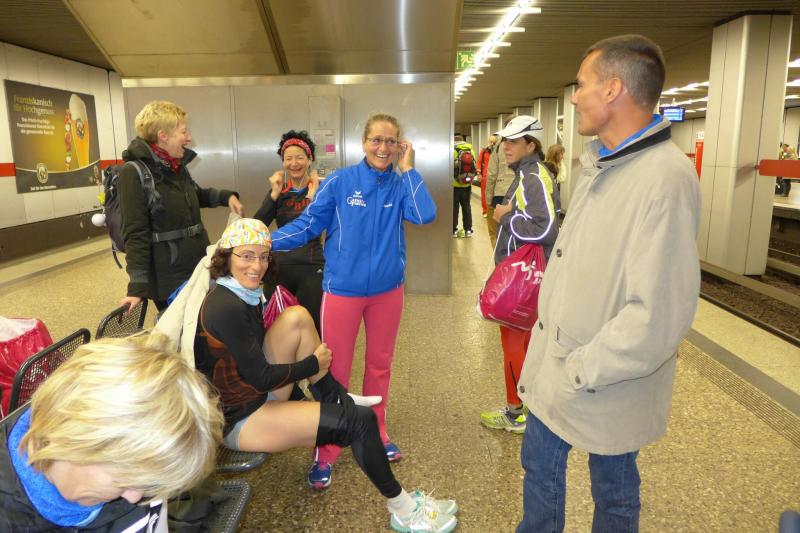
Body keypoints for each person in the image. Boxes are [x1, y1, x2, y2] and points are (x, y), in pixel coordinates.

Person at [515, 35, 700, 532]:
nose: (575, 97)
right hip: (559, 363)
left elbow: (659, 314)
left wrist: (580, 368)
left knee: (613, 495)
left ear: (613, 88)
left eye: (581, 85)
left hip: (601, 374)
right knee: (540, 477)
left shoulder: (664, 179)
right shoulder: (600, 164)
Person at [194, 219, 457, 533]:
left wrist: (309, 390)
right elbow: (262, 377)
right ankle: (403, 510)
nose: (257, 266)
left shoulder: (240, 292)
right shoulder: (226, 307)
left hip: (252, 393)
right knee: (360, 421)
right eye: (246, 256)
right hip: (241, 419)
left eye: (263, 257)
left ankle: (334, 396)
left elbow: (255, 366)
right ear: (227, 257)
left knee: (297, 317)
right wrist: (312, 364)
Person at [268, 113, 436, 489]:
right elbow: (308, 225)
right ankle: (328, 448)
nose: (383, 148)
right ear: (364, 143)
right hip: (342, 291)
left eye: (391, 141)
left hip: (387, 292)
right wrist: (264, 240)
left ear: (400, 146)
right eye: (376, 140)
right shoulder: (341, 182)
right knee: (335, 370)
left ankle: (377, 430)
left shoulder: (400, 184)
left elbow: (425, 214)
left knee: (380, 365)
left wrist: (409, 169)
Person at [1, 334, 223, 532]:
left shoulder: (141, 463)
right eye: (125, 480)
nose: (135, 498)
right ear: (75, 438)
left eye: (146, 484)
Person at [119, 100, 244, 312]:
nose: (189, 138)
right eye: (183, 132)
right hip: (169, 276)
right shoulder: (133, 173)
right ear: (163, 135)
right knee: (182, 327)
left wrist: (226, 197)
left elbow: (195, 195)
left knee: (203, 322)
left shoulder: (175, 166)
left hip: (197, 263)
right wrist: (136, 287)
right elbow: (135, 232)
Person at [479, 116, 559, 434]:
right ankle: (525, 407)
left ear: (531, 145)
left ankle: (516, 413)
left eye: (514, 142)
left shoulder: (532, 177)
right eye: (505, 142)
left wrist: (505, 217)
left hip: (524, 276)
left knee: (514, 342)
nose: (506, 147)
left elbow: (546, 228)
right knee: (522, 342)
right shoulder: (529, 173)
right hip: (526, 272)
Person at [254, 130, 324, 333]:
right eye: (288, 158)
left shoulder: (321, 190)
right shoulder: (279, 192)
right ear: (283, 162)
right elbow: (257, 226)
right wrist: (274, 194)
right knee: (275, 325)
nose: (294, 163)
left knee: (313, 325)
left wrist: (313, 197)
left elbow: (319, 223)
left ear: (309, 160)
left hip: (311, 266)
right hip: (279, 268)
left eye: (300, 157)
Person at [484, 125, 518, 246]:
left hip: (500, 194)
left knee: (495, 234)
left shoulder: (499, 146)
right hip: (518, 195)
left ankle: (499, 257)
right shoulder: (525, 144)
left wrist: (488, 200)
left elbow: (491, 175)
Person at [453, 135, 476, 237]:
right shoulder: (470, 149)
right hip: (467, 184)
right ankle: (468, 230)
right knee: (466, 206)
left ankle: (454, 230)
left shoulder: (453, 150)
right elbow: (474, 165)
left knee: (454, 208)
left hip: (455, 184)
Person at [478, 136, 497, 218]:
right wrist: (479, 173)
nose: (492, 144)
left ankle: (494, 210)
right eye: (491, 142)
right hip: (485, 175)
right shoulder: (484, 151)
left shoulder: (498, 151)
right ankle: (485, 210)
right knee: (484, 194)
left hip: (496, 175)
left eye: (494, 142)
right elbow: (479, 162)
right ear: (488, 142)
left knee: (495, 194)